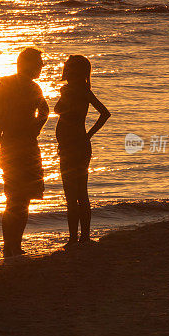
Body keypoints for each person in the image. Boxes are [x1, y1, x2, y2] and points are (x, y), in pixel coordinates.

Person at [0, 48, 49, 257]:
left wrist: (36, 126)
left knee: (21, 197)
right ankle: (11, 246)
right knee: (17, 197)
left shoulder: (32, 87)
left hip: (23, 144)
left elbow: (44, 110)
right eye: (39, 62)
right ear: (26, 63)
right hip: (15, 145)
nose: (42, 66)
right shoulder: (8, 83)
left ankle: (13, 245)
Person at [54, 55, 110, 246]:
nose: (66, 72)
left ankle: (75, 239)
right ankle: (82, 237)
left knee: (73, 194)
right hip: (76, 145)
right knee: (79, 193)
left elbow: (58, 109)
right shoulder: (83, 90)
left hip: (73, 147)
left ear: (76, 72)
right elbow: (104, 113)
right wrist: (88, 135)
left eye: (69, 69)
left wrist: (88, 134)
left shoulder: (74, 90)